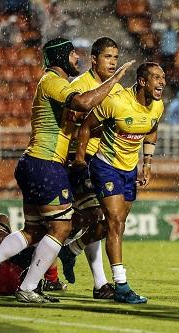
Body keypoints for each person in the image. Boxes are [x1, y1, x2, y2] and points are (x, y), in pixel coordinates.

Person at [0, 37, 134, 303]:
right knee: (62, 227)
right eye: (73, 55)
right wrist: (114, 80)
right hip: (46, 164)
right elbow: (81, 103)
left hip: (34, 163)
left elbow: (76, 123)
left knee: (34, 230)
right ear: (61, 57)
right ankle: (30, 287)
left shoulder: (54, 84)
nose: (77, 59)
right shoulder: (53, 82)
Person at [74, 62, 166, 304]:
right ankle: (121, 284)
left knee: (115, 225)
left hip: (129, 170)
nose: (162, 82)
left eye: (163, 77)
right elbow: (86, 126)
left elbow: (152, 130)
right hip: (105, 166)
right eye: (156, 78)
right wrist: (81, 159)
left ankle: (70, 250)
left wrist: (147, 164)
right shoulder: (116, 101)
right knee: (115, 222)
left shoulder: (157, 107)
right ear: (143, 81)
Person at [57, 36, 125, 300]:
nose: (112, 62)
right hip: (79, 160)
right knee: (98, 217)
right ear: (94, 59)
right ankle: (100, 283)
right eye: (108, 57)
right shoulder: (79, 86)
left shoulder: (118, 89)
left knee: (109, 222)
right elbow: (72, 125)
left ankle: (69, 250)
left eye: (115, 58)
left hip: (108, 162)